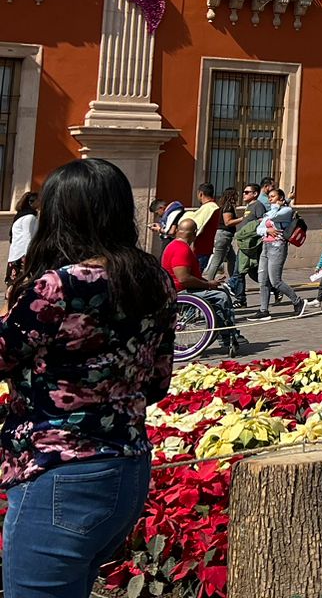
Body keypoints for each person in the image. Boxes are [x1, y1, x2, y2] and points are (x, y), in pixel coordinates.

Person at [0, 158, 174, 596]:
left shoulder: (60, 285)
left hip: (57, 471)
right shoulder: (154, 277)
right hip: (127, 467)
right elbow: (156, 382)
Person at [160, 218, 242, 355]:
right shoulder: (181, 249)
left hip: (181, 289)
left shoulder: (175, 246)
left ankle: (225, 335)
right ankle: (229, 337)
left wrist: (210, 283)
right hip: (180, 292)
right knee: (221, 296)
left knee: (219, 292)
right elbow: (183, 278)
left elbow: (190, 277)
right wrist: (208, 284)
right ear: (194, 233)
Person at [255, 189, 306, 319]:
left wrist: (284, 203)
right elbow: (258, 229)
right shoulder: (270, 211)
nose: (270, 199)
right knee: (263, 281)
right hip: (265, 246)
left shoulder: (286, 211)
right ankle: (263, 310)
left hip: (277, 247)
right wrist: (267, 230)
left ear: (280, 198)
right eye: (269, 197)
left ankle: (297, 301)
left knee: (275, 281)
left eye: (273, 196)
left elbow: (274, 217)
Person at [203, 189, 242, 284]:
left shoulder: (223, 206)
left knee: (232, 259)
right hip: (224, 236)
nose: (238, 197)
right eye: (236, 195)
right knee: (217, 260)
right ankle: (209, 282)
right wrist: (242, 218)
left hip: (224, 236)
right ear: (231, 196)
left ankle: (233, 281)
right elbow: (227, 222)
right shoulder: (228, 207)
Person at [7, 191, 39, 286]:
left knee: (13, 284)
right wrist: (29, 256)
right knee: (24, 284)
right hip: (23, 255)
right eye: (38, 200)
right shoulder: (29, 217)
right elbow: (28, 237)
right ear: (31, 202)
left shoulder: (20, 216)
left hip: (15, 254)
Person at [190, 183, 219, 271]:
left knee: (195, 277)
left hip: (201, 248)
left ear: (201, 194)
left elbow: (197, 227)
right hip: (204, 248)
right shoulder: (212, 207)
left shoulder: (209, 208)